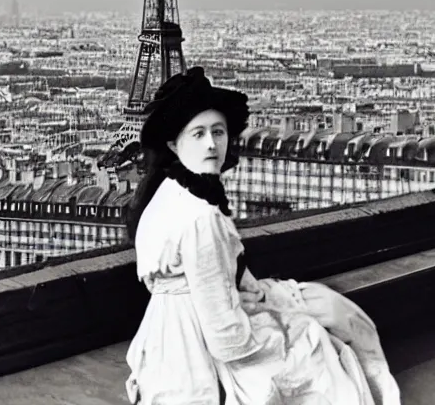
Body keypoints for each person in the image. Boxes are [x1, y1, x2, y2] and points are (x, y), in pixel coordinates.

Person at [125, 67, 400, 405]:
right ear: (173, 143)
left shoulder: (169, 193)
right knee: (318, 344)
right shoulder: (200, 218)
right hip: (201, 347)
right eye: (198, 134)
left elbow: (210, 277)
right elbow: (226, 338)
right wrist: (279, 335)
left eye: (218, 132)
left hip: (168, 338)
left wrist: (249, 291)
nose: (212, 144)